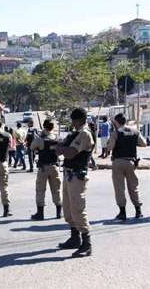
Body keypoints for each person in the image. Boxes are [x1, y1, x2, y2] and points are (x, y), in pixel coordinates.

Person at [56, 108, 94, 257]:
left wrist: (63, 148)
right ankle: (74, 238)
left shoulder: (85, 134)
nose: (72, 122)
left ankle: (87, 243)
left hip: (77, 175)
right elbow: (58, 151)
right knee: (68, 209)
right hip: (68, 173)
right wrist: (63, 148)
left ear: (80, 120)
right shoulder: (74, 134)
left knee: (78, 208)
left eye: (74, 120)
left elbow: (70, 153)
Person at [107, 113, 147, 220]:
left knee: (119, 188)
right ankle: (138, 211)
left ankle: (122, 212)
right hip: (131, 162)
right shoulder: (134, 131)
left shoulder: (116, 133)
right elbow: (144, 143)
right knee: (133, 187)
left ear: (117, 122)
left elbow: (110, 147)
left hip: (118, 162)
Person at [31, 119, 62, 220]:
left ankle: (40, 214)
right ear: (53, 127)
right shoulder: (57, 138)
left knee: (40, 190)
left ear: (44, 127)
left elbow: (32, 147)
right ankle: (59, 212)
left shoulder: (40, 139)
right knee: (56, 190)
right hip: (55, 166)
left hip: (44, 167)